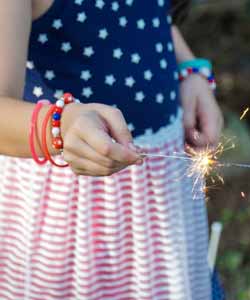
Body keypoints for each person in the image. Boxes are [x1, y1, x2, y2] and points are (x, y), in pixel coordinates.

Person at [0, 0, 224, 299]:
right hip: (73, 215)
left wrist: (189, 69)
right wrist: (60, 127)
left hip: (163, 203)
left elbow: (149, 14)